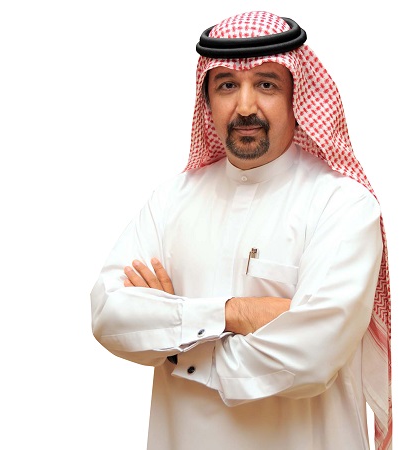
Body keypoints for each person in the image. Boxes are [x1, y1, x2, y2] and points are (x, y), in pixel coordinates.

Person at [90, 11, 392, 450]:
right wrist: (235, 313)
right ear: (207, 99)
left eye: (266, 84)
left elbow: (312, 356)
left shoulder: (343, 204)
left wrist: (173, 340)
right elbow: (108, 314)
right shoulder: (171, 201)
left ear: (297, 95)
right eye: (227, 85)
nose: (245, 106)